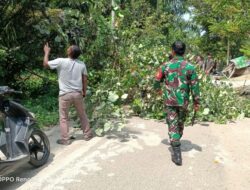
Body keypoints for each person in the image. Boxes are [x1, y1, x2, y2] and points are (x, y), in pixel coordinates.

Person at [154, 41, 200, 166]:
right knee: (179, 123)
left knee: (173, 124)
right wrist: (197, 102)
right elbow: (195, 86)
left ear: (172, 51)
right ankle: (176, 146)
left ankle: (176, 151)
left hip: (170, 101)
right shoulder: (190, 67)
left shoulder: (166, 66)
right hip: (183, 101)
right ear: (184, 52)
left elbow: (157, 80)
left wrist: (158, 91)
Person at [43, 43, 93, 145]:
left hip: (65, 95)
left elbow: (46, 64)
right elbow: (85, 79)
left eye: (69, 48)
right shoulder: (82, 64)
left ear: (70, 52)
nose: (68, 48)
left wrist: (47, 52)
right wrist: (84, 92)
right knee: (82, 114)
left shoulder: (61, 61)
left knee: (63, 117)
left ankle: (65, 139)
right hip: (77, 94)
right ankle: (87, 135)